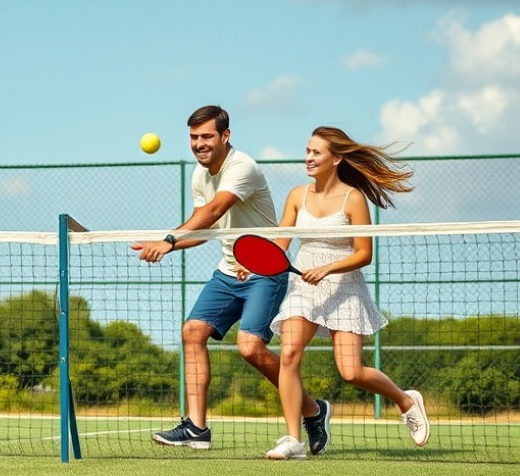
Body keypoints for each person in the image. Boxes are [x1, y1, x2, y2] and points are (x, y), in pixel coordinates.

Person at [134, 105, 331, 453]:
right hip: (228, 272)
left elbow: (214, 211)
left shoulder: (242, 167)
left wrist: (166, 240)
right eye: (194, 137)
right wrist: (172, 245)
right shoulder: (200, 175)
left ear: (225, 136)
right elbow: (207, 227)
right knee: (192, 331)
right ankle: (196, 428)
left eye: (207, 136)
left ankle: (313, 410)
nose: (199, 144)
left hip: (264, 272)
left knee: (250, 346)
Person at [264, 126, 429, 460]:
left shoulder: (354, 198)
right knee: (290, 353)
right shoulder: (298, 195)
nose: (308, 158)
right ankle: (293, 440)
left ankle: (406, 400)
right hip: (303, 287)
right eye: (307, 151)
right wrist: (260, 262)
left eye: (316, 153)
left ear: (336, 158)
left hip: (344, 287)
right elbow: (281, 242)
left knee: (351, 371)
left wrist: (327, 269)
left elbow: (363, 253)